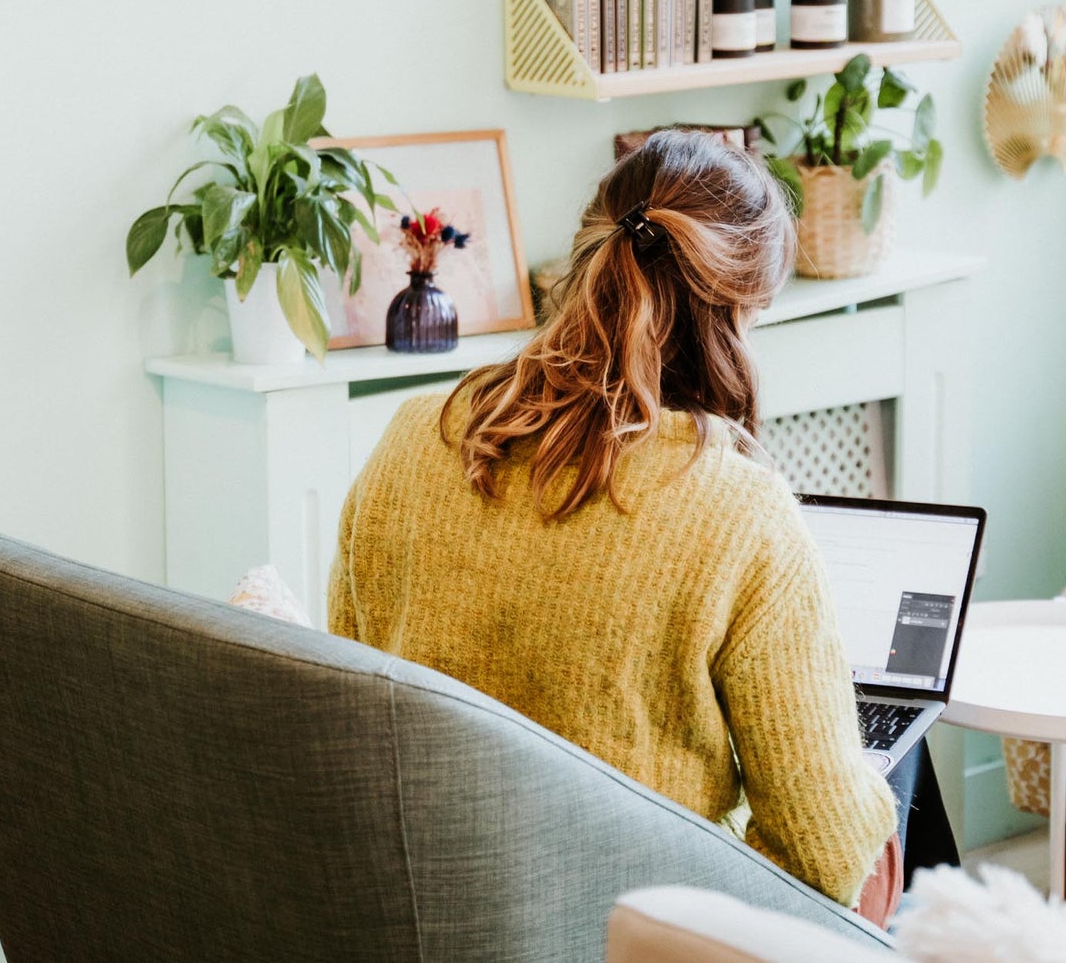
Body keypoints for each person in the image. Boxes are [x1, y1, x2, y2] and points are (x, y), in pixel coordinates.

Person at [329, 128, 900, 912]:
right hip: (629, 929)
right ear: (736, 311)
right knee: (880, 842)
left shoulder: (412, 436)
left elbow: (353, 708)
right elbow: (821, 848)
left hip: (426, 910)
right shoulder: (741, 511)